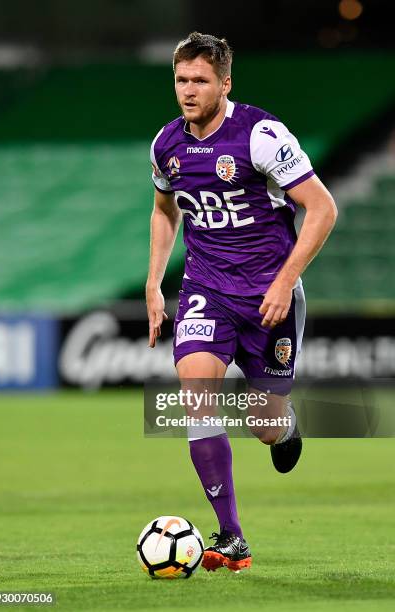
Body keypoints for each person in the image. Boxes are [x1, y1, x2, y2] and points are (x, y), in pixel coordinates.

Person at [146, 32, 337, 573]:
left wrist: (284, 281)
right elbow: (165, 211)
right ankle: (231, 536)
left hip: (268, 298)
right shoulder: (167, 144)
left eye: (200, 80)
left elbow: (322, 209)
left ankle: (287, 425)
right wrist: (155, 282)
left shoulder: (260, 135)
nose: (188, 90)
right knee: (197, 393)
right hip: (206, 289)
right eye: (181, 79)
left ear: (225, 83)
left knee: (262, 420)